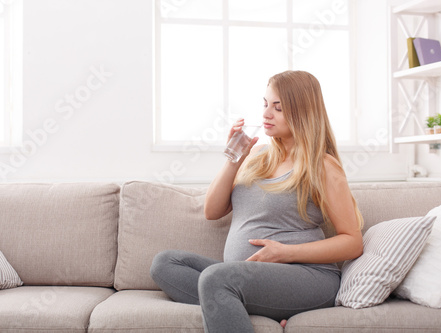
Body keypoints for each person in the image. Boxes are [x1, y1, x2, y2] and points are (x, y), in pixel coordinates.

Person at [150, 70, 364, 332]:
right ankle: (256, 306)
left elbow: (352, 242)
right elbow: (212, 211)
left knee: (217, 279)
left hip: (309, 277)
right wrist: (234, 159)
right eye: (265, 104)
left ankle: (239, 297)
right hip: (245, 276)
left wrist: (286, 253)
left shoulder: (323, 166)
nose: (266, 114)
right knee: (166, 263)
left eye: (278, 108)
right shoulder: (258, 155)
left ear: (303, 112)